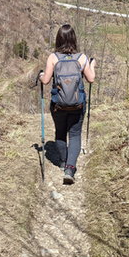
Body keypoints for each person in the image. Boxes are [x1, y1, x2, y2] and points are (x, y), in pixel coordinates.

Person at [40, 24, 96, 184]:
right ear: (74, 39)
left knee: (60, 131)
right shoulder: (81, 58)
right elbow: (91, 78)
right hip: (77, 104)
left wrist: (41, 76)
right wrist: (92, 65)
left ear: (58, 39)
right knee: (75, 134)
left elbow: (45, 80)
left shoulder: (53, 58)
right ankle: (70, 168)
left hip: (58, 105)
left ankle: (63, 161)